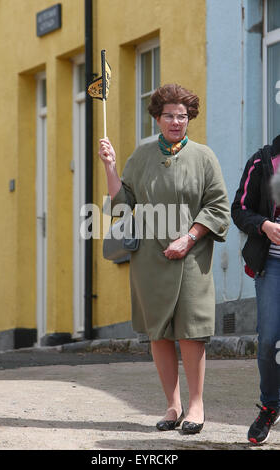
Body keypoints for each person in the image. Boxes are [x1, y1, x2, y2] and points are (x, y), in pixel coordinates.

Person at [99, 84, 230, 434]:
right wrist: (110, 168)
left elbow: (218, 207)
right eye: (169, 115)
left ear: (190, 119)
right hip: (149, 259)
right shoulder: (140, 157)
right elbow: (123, 204)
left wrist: (189, 238)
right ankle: (173, 406)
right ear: (157, 118)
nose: (176, 121)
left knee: (191, 330)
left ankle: (197, 405)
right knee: (158, 332)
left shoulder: (204, 157)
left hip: (191, 256)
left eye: (182, 116)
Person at [231, 135, 280, 445]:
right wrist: (264, 225)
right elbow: (239, 209)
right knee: (269, 341)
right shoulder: (263, 160)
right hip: (272, 265)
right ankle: (270, 406)